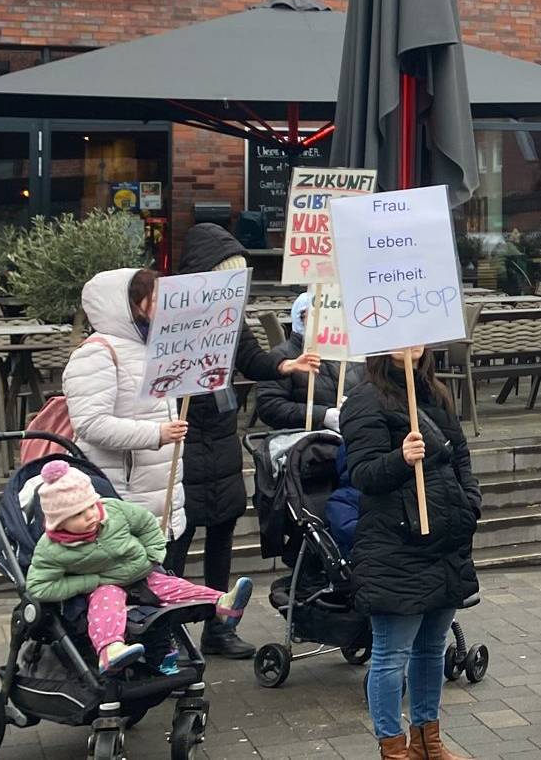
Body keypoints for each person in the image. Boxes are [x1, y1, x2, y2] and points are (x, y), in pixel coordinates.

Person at [172, 224, 320, 659]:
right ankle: (172, 631)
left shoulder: (231, 318)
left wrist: (286, 366)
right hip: (182, 436)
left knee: (222, 531)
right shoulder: (176, 315)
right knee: (178, 537)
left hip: (220, 433)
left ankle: (220, 627)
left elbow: (253, 360)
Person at [341, 346, 482, 760]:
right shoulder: (365, 400)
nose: (413, 345)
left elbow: (460, 455)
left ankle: (427, 740)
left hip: (445, 543)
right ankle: (393, 747)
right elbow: (364, 474)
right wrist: (400, 458)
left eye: (419, 337)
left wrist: (470, 501)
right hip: (396, 548)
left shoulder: (436, 394)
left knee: (432, 647)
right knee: (391, 655)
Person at [22, 460, 255, 673]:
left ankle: (221, 603)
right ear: (60, 521)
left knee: (171, 585)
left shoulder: (112, 510)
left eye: (91, 507)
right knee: (106, 603)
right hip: (102, 585)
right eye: (79, 514)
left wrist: (154, 552)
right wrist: (89, 582)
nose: (91, 515)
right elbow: (39, 587)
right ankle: (110, 649)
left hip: (140, 572)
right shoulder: (52, 547)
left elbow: (145, 523)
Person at [63, 270, 188, 548]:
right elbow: (90, 423)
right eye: (153, 298)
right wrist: (156, 434)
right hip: (123, 498)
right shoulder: (97, 353)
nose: (162, 305)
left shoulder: (155, 348)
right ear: (130, 305)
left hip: (163, 501)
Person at [255, 290, 347, 433]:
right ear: (299, 318)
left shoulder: (351, 356)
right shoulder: (282, 357)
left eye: (329, 316)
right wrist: (322, 415)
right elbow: (269, 406)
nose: (323, 322)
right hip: (308, 444)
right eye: (314, 316)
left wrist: (357, 406)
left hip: (354, 438)